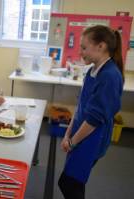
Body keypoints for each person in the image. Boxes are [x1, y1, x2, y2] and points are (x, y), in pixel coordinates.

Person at [58, 25, 124, 199]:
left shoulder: (110, 76)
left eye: (84, 47)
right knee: (73, 183)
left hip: (92, 138)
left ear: (101, 46)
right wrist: (68, 133)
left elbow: (94, 119)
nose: (80, 52)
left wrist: (73, 142)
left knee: (69, 183)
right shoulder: (92, 71)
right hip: (80, 134)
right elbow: (81, 106)